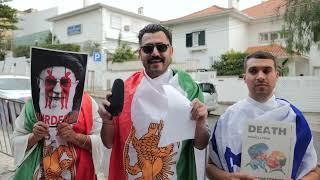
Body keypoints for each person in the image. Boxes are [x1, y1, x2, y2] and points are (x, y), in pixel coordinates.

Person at [99, 24, 210, 180]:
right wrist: (106, 120)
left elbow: (200, 144)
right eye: (148, 48)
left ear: (171, 51)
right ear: (140, 54)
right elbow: (108, 142)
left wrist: (201, 122)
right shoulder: (125, 89)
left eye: (161, 47)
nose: (155, 53)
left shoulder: (189, 88)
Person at [206, 51, 319, 180]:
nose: (260, 76)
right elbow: (209, 166)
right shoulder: (227, 118)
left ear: (277, 75)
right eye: (253, 71)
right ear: (244, 77)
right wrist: (228, 178)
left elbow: (314, 171)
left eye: (266, 71)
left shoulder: (294, 118)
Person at [12, 49, 105, 180]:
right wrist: (34, 137)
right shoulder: (31, 106)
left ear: (76, 85)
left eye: (65, 82)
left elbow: (103, 141)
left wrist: (74, 137)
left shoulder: (89, 104)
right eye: (50, 81)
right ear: (39, 82)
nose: (56, 90)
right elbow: (15, 142)